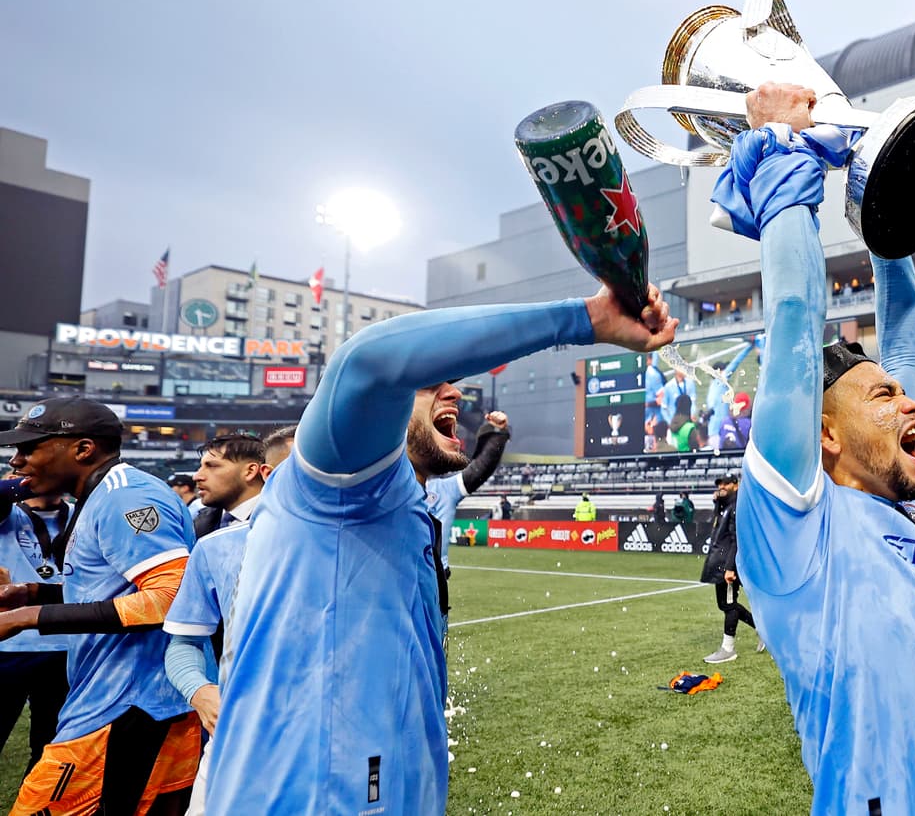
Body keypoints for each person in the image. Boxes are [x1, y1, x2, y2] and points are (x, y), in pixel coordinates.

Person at [204, 284, 675, 814]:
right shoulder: (331, 484)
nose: (453, 392)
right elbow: (367, 360)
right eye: (430, 382)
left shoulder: (410, 502)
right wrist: (586, 318)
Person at [719, 81, 915, 813]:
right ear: (825, 435)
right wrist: (783, 154)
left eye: (901, 393)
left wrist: (876, 204)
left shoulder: (905, 513)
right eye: (883, 397)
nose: (912, 403)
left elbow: (906, 327)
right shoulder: (796, 533)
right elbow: (792, 316)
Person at [0, 396, 199, 814]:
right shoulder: (102, 494)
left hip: (128, 703)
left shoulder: (125, 498)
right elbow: (115, 592)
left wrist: (26, 618)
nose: (16, 461)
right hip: (131, 697)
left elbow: (171, 600)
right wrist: (32, 593)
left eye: (28, 448)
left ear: (83, 449)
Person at [163, 425, 295, 816]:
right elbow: (183, 642)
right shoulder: (215, 544)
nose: (198, 476)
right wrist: (200, 691)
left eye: (211, 466)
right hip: (238, 733)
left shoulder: (360, 544)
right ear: (267, 473)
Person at [0, 473, 71, 775]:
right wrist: (33, 480)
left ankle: (35, 801)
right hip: (10, 645)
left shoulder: (82, 513)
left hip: (67, 646)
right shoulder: (8, 513)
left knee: (51, 747)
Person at [416, 409, 511, 618]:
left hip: (436, 580)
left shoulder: (443, 489)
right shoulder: (389, 485)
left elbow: (480, 468)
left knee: (434, 638)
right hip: (397, 580)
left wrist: (497, 433)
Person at [700, 475, 762, 662]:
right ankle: (762, 629)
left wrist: (730, 568)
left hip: (728, 564)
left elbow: (737, 541)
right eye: (720, 484)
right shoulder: (725, 506)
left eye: (726, 483)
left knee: (728, 604)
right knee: (724, 604)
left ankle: (728, 649)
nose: (722, 486)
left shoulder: (737, 507)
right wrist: (717, 502)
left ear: (736, 485)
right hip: (721, 563)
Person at [191, 433, 266, 541]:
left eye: (212, 466)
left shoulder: (281, 524)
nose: (197, 476)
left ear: (250, 471)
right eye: (201, 467)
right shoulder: (199, 524)